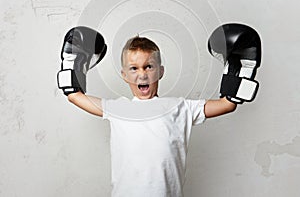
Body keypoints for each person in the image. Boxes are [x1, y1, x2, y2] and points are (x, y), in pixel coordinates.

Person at [57, 24, 261, 197]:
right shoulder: (118, 108)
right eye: (134, 69)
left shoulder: (180, 107)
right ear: (124, 75)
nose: (142, 75)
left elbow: (228, 103)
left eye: (149, 66)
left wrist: (237, 67)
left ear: (161, 71)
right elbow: (74, 95)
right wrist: (75, 63)